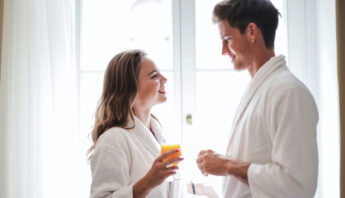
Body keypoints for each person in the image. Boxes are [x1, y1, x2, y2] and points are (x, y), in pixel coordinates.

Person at [196, 0, 319, 197]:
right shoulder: (262, 89)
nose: (223, 51)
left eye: (227, 39)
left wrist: (227, 165)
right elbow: (259, 159)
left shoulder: (288, 92)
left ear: (252, 32)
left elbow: (297, 184)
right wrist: (221, 161)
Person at [88, 49, 183, 198]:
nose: (164, 79)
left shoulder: (158, 135)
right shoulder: (113, 140)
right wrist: (147, 183)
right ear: (130, 88)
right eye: (154, 76)